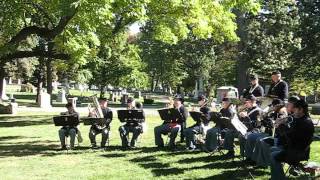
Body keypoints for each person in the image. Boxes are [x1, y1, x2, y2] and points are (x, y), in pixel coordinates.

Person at [270, 99, 314, 180]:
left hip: (298, 152)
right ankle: (276, 176)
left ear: (301, 109)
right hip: (295, 148)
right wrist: (283, 123)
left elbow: (289, 137)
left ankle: (278, 178)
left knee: (273, 155)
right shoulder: (300, 119)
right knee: (272, 150)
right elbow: (289, 136)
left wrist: (280, 125)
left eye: (295, 109)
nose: (293, 111)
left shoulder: (304, 122)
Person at [252, 96, 299, 167]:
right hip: (282, 140)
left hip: (288, 144)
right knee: (263, 141)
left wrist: (281, 124)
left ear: (294, 106)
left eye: (288, 104)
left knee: (264, 142)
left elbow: (291, 132)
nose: (286, 106)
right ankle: (258, 162)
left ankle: (263, 163)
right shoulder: (290, 115)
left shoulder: (295, 117)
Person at [243, 98, 287, 164]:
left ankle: (258, 161)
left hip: (274, 135)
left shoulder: (282, 113)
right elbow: (264, 122)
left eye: (273, 106)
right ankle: (249, 157)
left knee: (259, 140)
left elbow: (274, 125)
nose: (272, 107)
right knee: (251, 136)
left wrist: (268, 118)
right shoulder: (273, 113)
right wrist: (265, 115)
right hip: (266, 132)